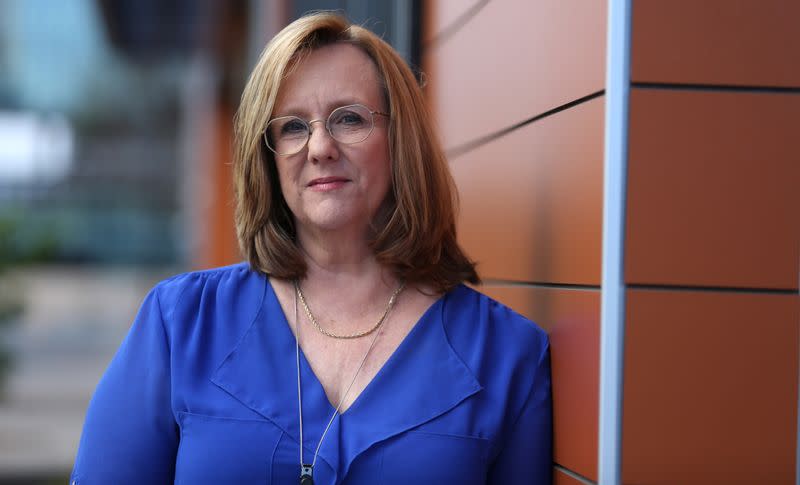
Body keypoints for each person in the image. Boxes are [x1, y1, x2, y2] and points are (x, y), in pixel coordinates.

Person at [70, 11, 551, 485]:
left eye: (349, 118)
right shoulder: (180, 324)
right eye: (293, 127)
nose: (320, 147)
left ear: (400, 139)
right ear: (269, 158)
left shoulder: (507, 355)